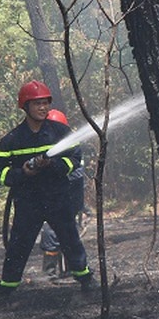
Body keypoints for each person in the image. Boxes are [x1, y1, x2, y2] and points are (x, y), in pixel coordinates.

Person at [0, 80, 96, 296]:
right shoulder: (12, 140)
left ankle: (86, 280)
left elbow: (74, 158)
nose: (43, 108)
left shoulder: (61, 132)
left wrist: (54, 165)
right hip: (28, 201)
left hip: (57, 197)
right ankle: (6, 289)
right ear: (25, 107)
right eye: (37, 104)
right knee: (19, 245)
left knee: (70, 239)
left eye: (46, 103)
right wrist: (22, 173)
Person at [39, 108, 90, 278]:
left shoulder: (71, 147)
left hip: (68, 199)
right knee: (51, 233)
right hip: (52, 200)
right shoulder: (44, 145)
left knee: (67, 233)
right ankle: (50, 271)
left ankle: (71, 269)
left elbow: (76, 174)